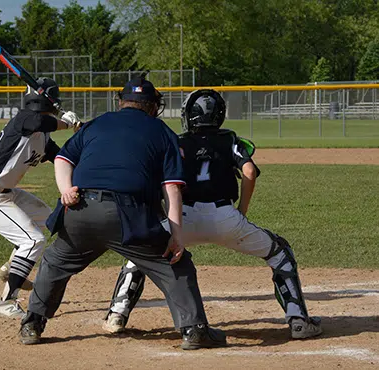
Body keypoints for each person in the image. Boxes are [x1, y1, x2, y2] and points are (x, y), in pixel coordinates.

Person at [18, 76, 227, 350]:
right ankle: (194, 329)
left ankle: (33, 323)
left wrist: (66, 190)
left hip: (80, 210)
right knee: (176, 264)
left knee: (55, 262)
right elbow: (172, 190)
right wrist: (177, 236)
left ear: (121, 103)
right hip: (129, 215)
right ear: (153, 106)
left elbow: (62, 159)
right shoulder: (161, 131)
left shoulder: (98, 123)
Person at [102, 89, 323, 340]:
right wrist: (242, 211)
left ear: (188, 115)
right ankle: (298, 321)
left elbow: (159, 181)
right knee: (280, 253)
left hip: (182, 220)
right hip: (226, 217)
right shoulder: (230, 139)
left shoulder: (176, 141)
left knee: (139, 254)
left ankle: (117, 315)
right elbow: (249, 172)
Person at [0, 77, 80, 319]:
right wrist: (65, 123)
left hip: (6, 193)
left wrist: (82, 131)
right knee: (33, 241)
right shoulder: (25, 118)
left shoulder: (42, 135)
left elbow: (62, 158)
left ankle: (12, 269)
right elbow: (40, 120)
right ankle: (5, 302)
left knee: (46, 218)